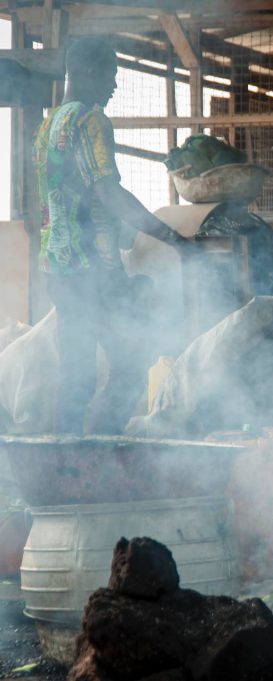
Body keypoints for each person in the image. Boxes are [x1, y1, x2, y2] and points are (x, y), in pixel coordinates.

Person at [35, 37, 191, 433]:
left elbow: (70, 195)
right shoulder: (89, 120)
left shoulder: (48, 125)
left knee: (78, 373)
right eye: (110, 76)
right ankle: (100, 454)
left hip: (58, 267)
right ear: (88, 72)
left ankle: (62, 462)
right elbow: (108, 190)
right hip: (94, 270)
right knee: (130, 364)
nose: (114, 87)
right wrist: (172, 238)